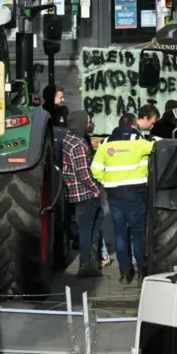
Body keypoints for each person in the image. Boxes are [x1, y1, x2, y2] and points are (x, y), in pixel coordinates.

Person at [91, 116, 155, 284]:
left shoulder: (105, 144)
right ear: (133, 125)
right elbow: (156, 146)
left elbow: (95, 169)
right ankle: (141, 271)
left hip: (114, 195)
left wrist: (107, 182)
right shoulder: (138, 141)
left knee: (120, 234)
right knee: (138, 234)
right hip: (135, 194)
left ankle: (125, 273)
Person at [60, 110, 102, 278]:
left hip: (77, 193)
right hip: (85, 194)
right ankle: (86, 265)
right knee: (88, 230)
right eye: (89, 121)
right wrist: (96, 188)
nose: (91, 124)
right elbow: (83, 172)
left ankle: (90, 263)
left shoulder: (69, 139)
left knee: (88, 228)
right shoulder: (78, 145)